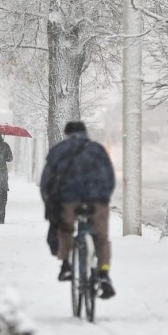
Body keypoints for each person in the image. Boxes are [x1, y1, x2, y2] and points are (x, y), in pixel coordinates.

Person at [40, 121, 116, 299]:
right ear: (85, 132)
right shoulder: (97, 149)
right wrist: (103, 199)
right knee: (102, 237)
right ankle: (104, 274)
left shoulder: (59, 150)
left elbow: (46, 182)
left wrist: (50, 203)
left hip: (69, 199)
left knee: (65, 228)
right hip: (96, 200)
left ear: (67, 133)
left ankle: (66, 265)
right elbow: (109, 177)